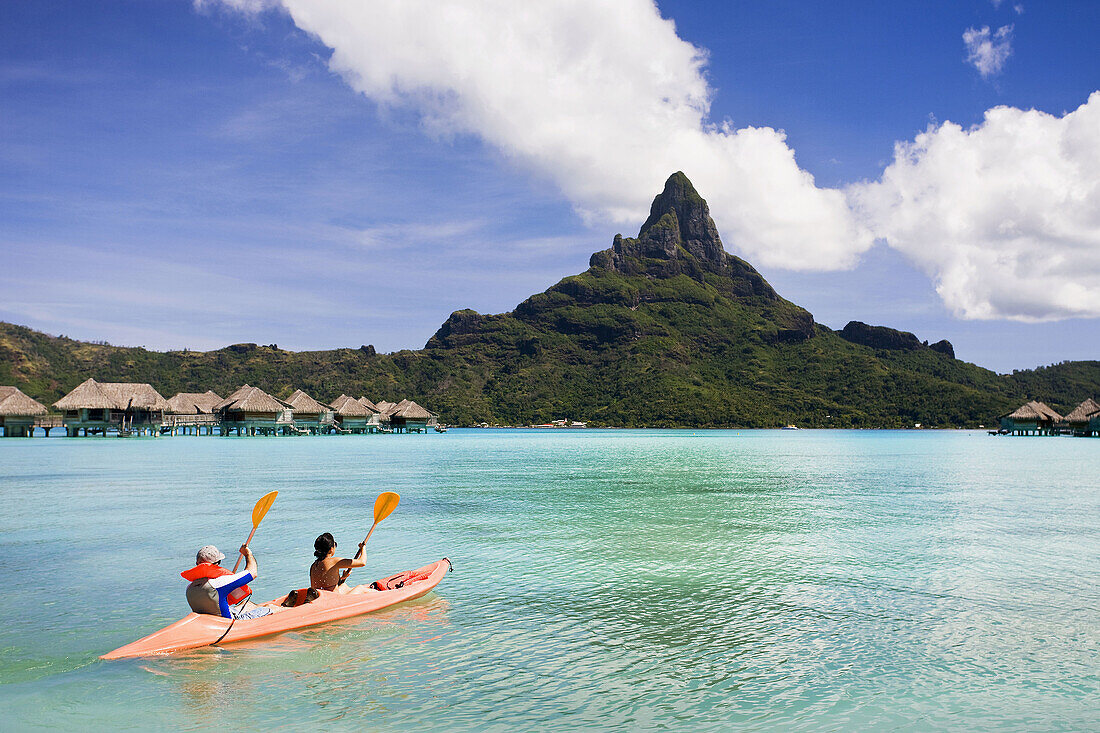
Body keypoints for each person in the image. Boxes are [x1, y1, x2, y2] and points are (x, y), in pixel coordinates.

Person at [181, 544, 282, 619]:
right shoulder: (219, 583)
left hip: (209, 621)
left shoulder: (190, 588)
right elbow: (252, 572)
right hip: (229, 624)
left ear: (197, 564)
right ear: (217, 563)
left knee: (247, 604)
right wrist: (248, 554)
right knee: (272, 607)